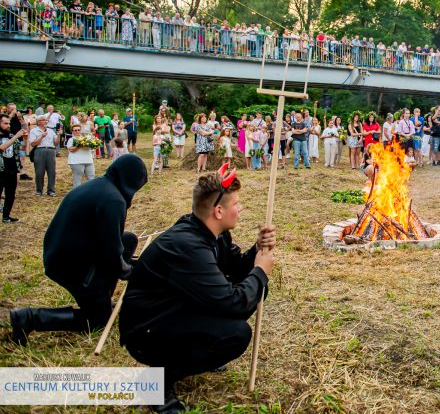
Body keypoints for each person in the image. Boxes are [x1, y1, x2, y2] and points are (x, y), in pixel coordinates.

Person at [119, 168, 276, 413]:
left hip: (177, 310)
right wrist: (261, 272)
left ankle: (195, 350)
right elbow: (233, 302)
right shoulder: (187, 245)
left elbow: (235, 269)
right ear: (219, 211)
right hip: (147, 332)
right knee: (236, 333)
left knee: (256, 290)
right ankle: (156, 383)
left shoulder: (211, 232)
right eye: (236, 203)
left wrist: (257, 251)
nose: (241, 208)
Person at [10, 155, 147, 346]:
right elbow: (110, 253)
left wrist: (130, 263)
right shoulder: (114, 200)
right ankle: (29, 317)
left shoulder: (99, 186)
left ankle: (101, 300)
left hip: (63, 251)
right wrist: (130, 272)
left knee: (129, 239)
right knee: (98, 321)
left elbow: (110, 241)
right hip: (70, 265)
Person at [0, 114, 26, 222]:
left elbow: (22, 148)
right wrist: (16, 136)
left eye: (9, 123)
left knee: (10, 194)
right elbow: (2, 147)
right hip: (0, 170)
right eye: (5, 123)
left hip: (11, 169)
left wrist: (24, 138)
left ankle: (6, 216)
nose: (8, 125)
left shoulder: (10, 135)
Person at [29, 116, 57, 196]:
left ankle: (51, 190)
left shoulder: (51, 131)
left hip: (51, 150)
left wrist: (58, 135)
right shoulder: (33, 131)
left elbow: (56, 143)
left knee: (52, 172)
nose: (46, 121)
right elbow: (33, 143)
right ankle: (39, 190)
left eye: (46, 119)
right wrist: (42, 136)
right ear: (38, 122)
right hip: (39, 150)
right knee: (39, 172)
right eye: (44, 120)